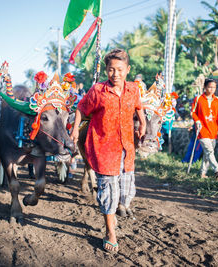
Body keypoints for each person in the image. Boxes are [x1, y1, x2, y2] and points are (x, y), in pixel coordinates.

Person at [70, 49, 146, 252]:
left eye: (120, 69)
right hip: (103, 149)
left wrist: (143, 124)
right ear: (106, 70)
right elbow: (81, 108)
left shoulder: (133, 90)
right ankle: (110, 232)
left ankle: (120, 206)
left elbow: (139, 107)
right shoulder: (97, 90)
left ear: (127, 70)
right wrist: (76, 130)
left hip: (127, 148)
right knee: (108, 193)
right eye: (111, 70)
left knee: (126, 192)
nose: (115, 74)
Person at [191, 79, 218, 180]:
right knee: (209, 151)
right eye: (209, 87)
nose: (212, 89)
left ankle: (202, 173)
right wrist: (197, 121)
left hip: (213, 130)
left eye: (213, 87)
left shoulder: (217, 100)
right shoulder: (198, 98)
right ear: (205, 87)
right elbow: (193, 112)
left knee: (207, 153)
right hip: (202, 130)